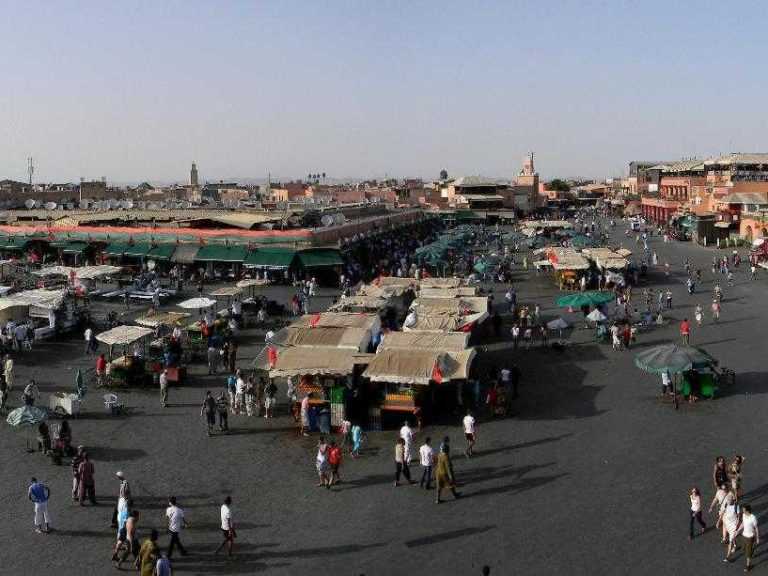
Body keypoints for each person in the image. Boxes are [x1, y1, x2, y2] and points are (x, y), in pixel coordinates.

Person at [435, 438, 460, 504]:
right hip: (444, 473)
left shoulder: (439, 454)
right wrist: (451, 477)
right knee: (450, 484)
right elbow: (448, 468)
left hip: (438, 472)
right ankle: (455, 495)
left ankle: (437, 499)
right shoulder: (446, 457)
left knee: (439, 486)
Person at [735, 504, 759, 571]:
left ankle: (748, 566)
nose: (742, 511)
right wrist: (738, 531)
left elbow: (756, 528)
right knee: (743, 549)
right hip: (744, 535)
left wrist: (757, 538)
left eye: (744, 510)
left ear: (747, 511)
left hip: (750, 537)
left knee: (748, 553)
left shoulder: (753, 518)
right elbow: (743, 523)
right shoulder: (744, 515)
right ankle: (751, 550)